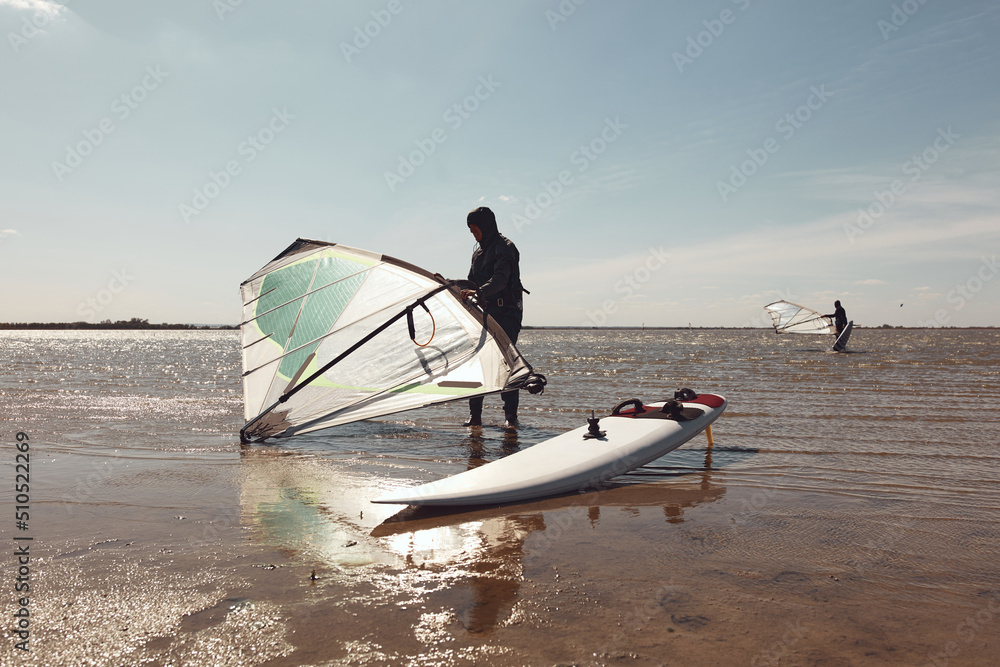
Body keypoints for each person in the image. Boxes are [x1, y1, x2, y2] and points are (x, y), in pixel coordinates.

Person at [459, 206, 523, 428]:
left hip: (507, 313)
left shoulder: (505, 248)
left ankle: (510, 417)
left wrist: (478, 293)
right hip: (484, 313)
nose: (472, 233)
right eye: (470, 229)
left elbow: (500, 280)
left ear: (486, 226)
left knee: (505, 362)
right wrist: (448, 284)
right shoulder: (477, 254)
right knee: (478, 361)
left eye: (475, 229)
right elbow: (469, 283)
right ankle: (475, 417)